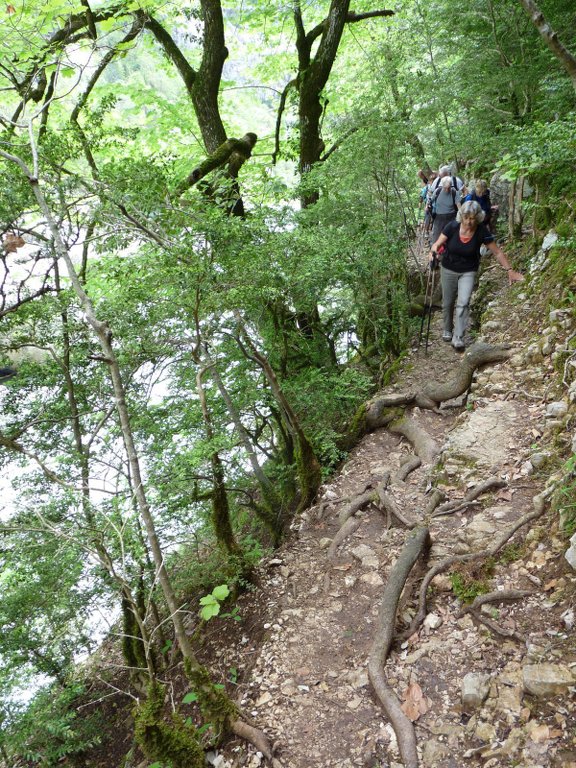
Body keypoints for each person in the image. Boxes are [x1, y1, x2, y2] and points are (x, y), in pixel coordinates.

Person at [429, 200, 523, 351]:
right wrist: (433, 253)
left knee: (464, 302)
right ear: (462, 216)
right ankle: (447, 328)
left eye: (472, 218)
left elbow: (497, 252)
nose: (469, 221)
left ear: (478, 217)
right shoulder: (452, 227)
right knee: (447, 302)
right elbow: (437, 244)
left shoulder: (481, 231)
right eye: (466, 217)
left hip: (468, 270)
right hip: (448, 268)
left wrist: (509, 270)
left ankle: (458, 336)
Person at [430, 175, 460, 244]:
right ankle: (435, 252)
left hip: (451, 217)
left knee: (452, 237)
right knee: (436, 237)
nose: (447, 190)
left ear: (451, 186)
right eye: (445, 188)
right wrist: (427, 207)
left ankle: (449, 252)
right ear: (442, 186)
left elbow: (459, 206)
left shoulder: (454, 192)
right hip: (439, 218)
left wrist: (460, 216)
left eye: (448, 188)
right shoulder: (438, 191)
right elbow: (430, 200)